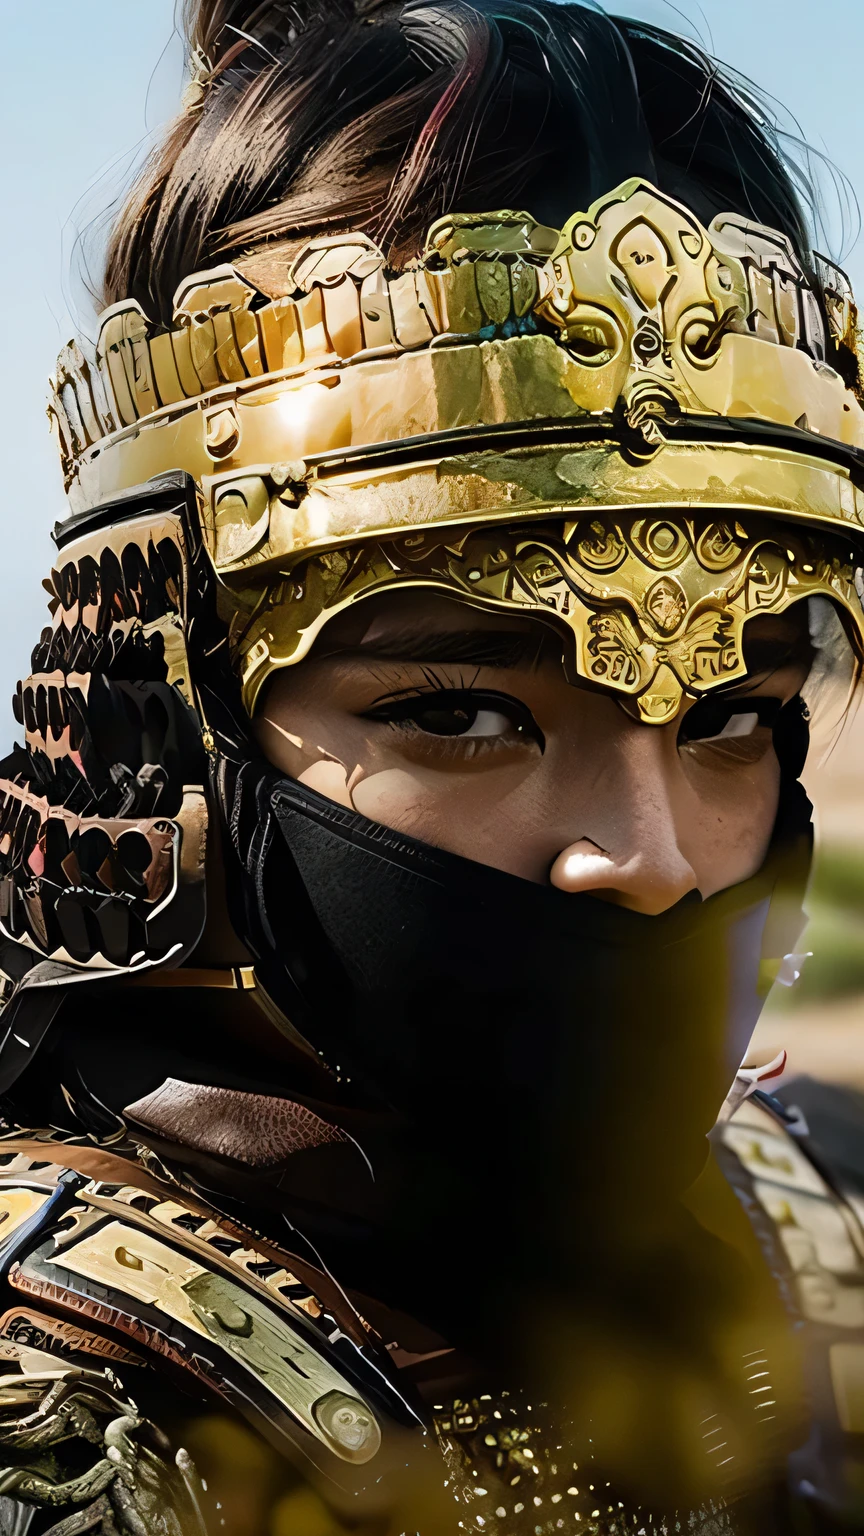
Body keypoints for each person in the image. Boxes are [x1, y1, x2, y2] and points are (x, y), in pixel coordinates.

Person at [0, 1, 861, 1531]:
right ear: (174, 725)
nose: (650, 858)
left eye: (734, 717)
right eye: (464, 712)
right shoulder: (45, 1400)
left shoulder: (818, 1222)